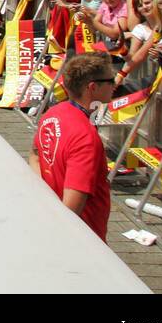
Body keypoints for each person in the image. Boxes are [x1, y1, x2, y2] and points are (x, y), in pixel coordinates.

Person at [33, 53, 114, 240]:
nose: (115, 85)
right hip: (84, 238)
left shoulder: (52, 114)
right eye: (111, 80)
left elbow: (35, 156)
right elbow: (71, 208)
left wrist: (44, 198)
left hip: (49, 219)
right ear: (93, 87)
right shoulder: (86, 138)